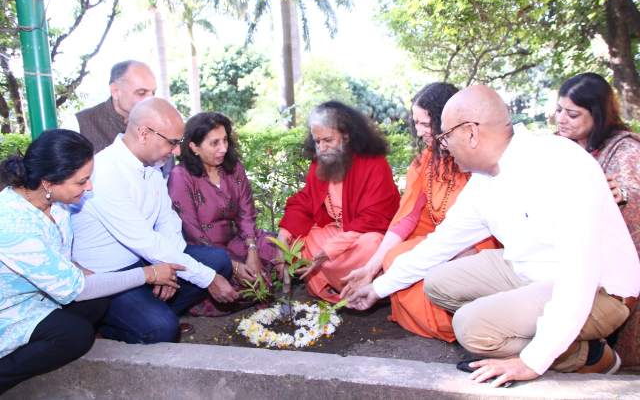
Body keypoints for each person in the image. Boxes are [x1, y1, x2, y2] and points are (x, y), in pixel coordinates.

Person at [346, 85, 640, 387]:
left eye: (445, 137)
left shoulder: (558, 164)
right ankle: (552, 336)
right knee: (437, 283)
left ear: (471, 133)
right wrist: (377, 289)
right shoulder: (483, 182)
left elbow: (579, 274)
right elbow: (439, 244)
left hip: (601, 290)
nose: (443, 146)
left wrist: (532, 361)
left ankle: (588, 357)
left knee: (471, 327)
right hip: (532, 272)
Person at [0, 130, 180, 394]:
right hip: (8, 311)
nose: (89, 188)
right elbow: (78, 288)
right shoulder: (12, 222)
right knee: (75, 336)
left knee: (98, 300)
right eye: (82, 181)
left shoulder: (55, 202)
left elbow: (65, 262)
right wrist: (149, 274)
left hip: (39, 299)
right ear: (49, 182)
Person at [71, 98, 239, 344]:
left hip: (144, 259)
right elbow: (145, 241)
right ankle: (111, 325)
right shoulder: (105, 172)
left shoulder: (151, 165)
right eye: (172, 142)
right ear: (143, 133)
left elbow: (167, 221)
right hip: (109, 276)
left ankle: (148, 313)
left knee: (219, 261)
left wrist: (167, 267)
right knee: (163, 328)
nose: (177, 151)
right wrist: (206, 278)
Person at [342, 83, 498, 341]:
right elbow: (406, 219)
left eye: (426, 124)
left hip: (477, 246)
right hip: (441, 241)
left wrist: (460, 253)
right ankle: (449, 322)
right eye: (416, 123)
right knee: (393, 257)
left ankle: (471, 322)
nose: (420, 131)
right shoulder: (426, 161)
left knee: (450, 268)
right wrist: (370, 268)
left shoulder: (476, 160)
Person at [555, 72, 640, 365]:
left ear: (598, 114)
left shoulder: (625, 150)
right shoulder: (556, 147)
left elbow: (630, 191)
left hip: (611, 269)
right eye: (559, 110)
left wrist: (622, 195)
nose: (561, 119)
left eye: (572, 114)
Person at [277, 101, 400, 303]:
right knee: (303, 240)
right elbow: (305, 200)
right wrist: (283, 235)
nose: (321, 148)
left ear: (346, 136)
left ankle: (362, 288)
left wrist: (330, 251)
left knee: (372, 245)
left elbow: (375, 217)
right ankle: (335, 286)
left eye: (328, 140)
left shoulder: (374, 163)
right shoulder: (321, 163)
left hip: (364, 236)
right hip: (338, 232)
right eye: (317, 142)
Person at [168, 112, 277, 315]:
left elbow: (246, 213)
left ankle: (255, 285)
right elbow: (193, 233)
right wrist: (234, 266)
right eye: (214, 143)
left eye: (225, 140)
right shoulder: (181, 177)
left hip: (236, 241)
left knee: (277, 245)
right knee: (230, 276)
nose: (223, 148)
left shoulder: (234, 169)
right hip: (206, 253)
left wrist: (252, 251)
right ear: (194, 147)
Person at [74, 60, 173, 177]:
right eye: (141, 93)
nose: (150, 99)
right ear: (115, 91)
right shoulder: (80, 125)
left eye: (153, 93)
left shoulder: (160, 124)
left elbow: (167, 175)